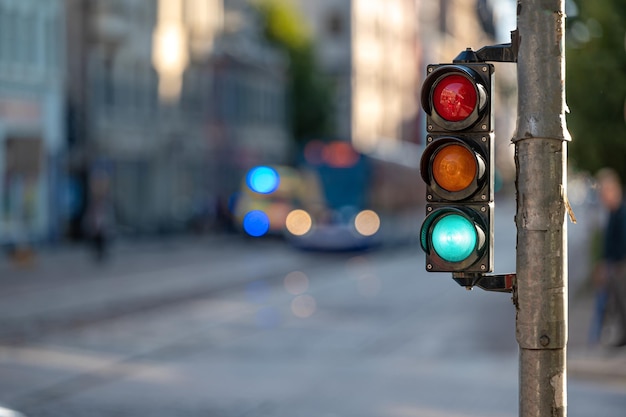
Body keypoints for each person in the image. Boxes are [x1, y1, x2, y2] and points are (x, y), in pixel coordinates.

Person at [592, 168, 626, 346]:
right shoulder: (614, 212)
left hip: (620, 265)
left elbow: (620, 243)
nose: (601, 197)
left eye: (603, 192)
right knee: (617, 303)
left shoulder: (621, 212)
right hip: (615, 264)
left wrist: (609, 264)